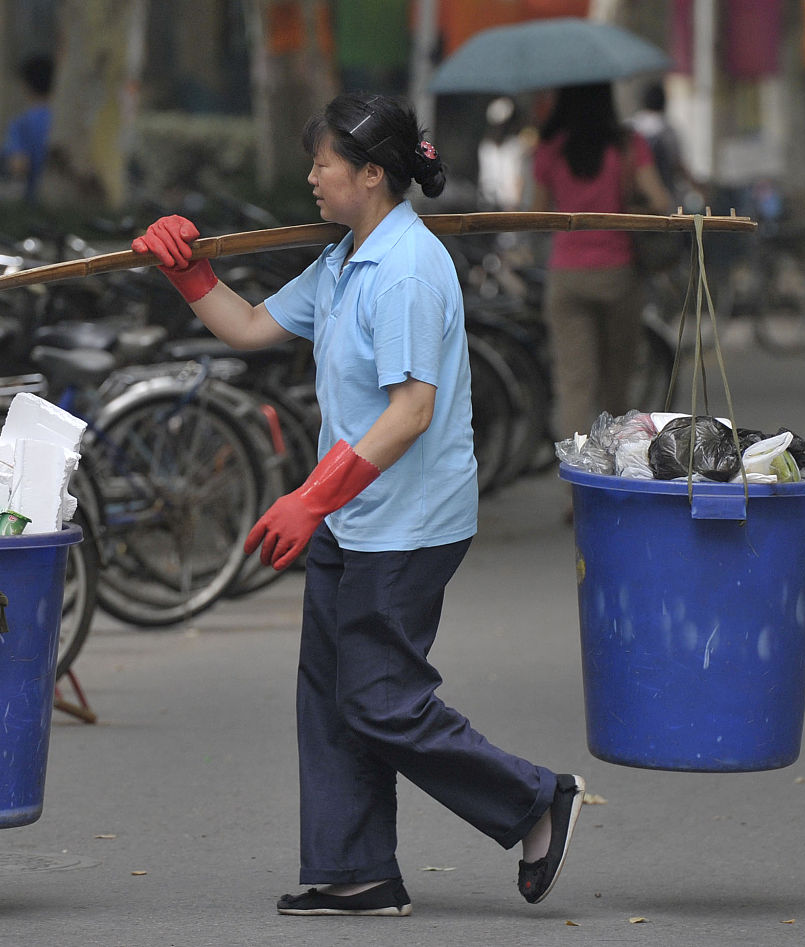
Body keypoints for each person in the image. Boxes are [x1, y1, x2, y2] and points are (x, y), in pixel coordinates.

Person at [132, 92, 586, 918]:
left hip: (408, 522)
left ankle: (533, 799)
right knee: (330, 689)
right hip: (354, 513)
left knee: (376, 696)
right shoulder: (346, 258)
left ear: (372, 174)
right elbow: (249, 325)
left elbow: (412, 410)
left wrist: (309, 497)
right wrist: (189, 273)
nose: (311, 176)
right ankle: (356, 869)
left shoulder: (408, 269)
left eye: (323, 163)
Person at [531, 83, 671, 447]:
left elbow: (535, 212)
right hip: (618, 274)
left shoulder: (550, 147)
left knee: (575, 387)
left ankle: (575, 489)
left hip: (567, 275)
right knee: (616, 388)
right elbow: (660, 201)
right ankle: (612, 482)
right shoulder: (627, 144)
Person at [0, 54, 53, 203]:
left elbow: (18, 165)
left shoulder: (22, 124)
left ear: (26, 86)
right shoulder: (66, 120)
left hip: (37, 201)